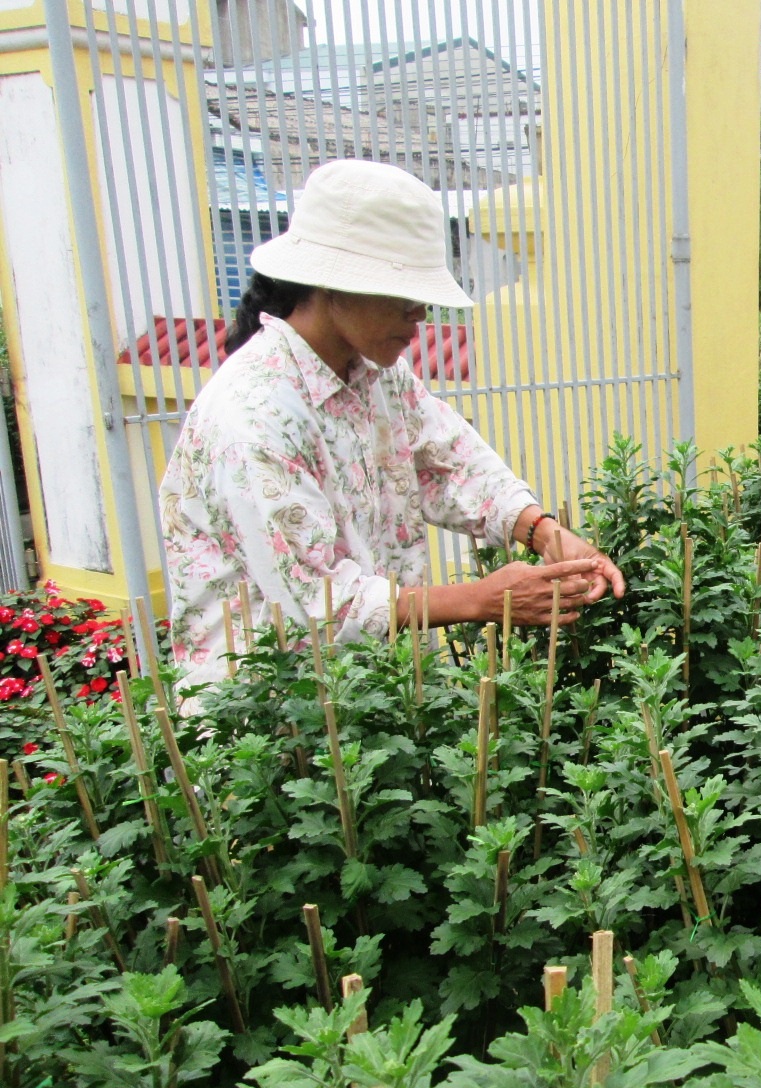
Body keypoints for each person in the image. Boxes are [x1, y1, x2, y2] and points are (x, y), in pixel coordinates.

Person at [160, 159, 623, 693]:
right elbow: (318, 608)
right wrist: (482, 599)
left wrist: (545, 533)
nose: (419, 312)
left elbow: (449, 462)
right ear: (330, 284)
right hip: (267, 714)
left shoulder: (376, 374)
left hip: (366, 694)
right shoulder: (254, 414)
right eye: (401, 292)